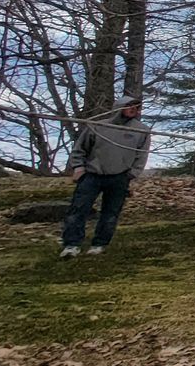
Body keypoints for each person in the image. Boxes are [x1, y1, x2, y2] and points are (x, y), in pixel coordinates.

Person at [59, 94, 150, 258]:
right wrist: (79, 167)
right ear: (119, 108)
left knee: (111, 212)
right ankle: (71, 244)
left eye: (136, 108)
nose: (133, 110)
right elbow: (80, 149)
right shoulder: (98, 126)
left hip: (119, 177)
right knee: (78, 210)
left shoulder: (141, 130)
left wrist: (132, 174)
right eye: (129, 106)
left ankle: (99, 244)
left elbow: (141, 155)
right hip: (92, 175)